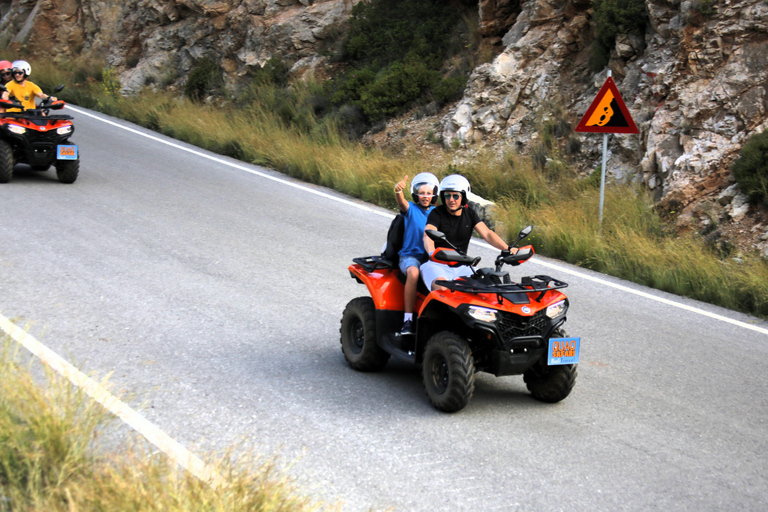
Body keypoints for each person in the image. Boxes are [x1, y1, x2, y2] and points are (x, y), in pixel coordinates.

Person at [421, 174, 513, 291]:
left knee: (481, 289)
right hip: (436, 264)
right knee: (442, 290)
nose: (451, 200)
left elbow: (488, 234)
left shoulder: (470, 213)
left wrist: (507, 249)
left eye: (456, 196)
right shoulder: (437, 213)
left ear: (464, 197)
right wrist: (431, 253)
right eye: (447, 195)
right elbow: (428, 234)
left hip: (462, 265)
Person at [394, 172, 439, 335]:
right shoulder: (410, 209)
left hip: (430, 259)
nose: (425, 196)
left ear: (434, 194)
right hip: (410, 257)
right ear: (416, 194)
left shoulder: (437, 213)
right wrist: (398, 192)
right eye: (421, 193)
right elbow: (402, 203)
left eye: (428, 193)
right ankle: (407, 321)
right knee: (413, 272)